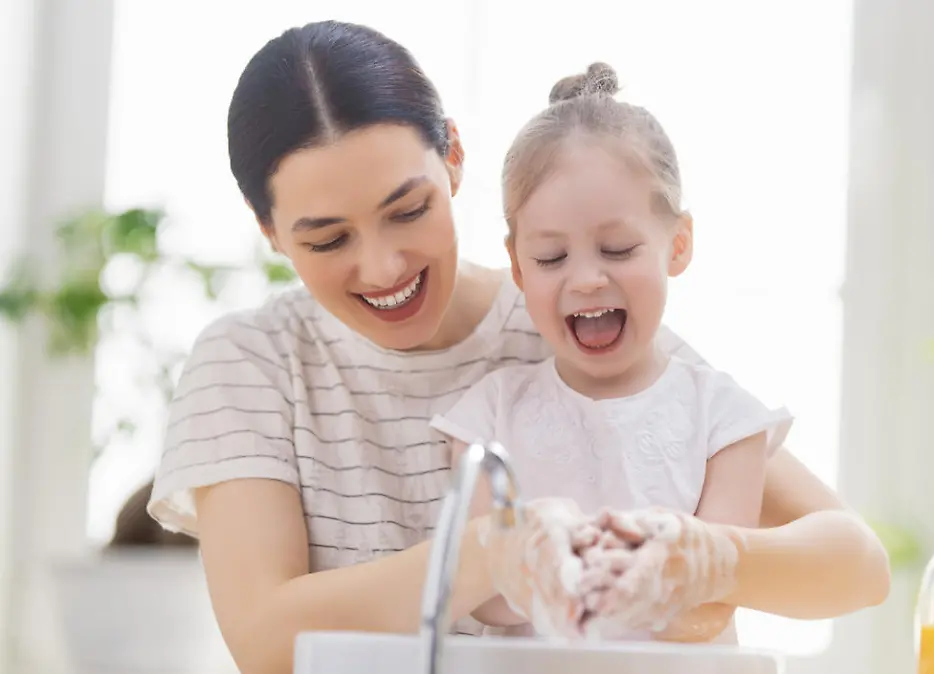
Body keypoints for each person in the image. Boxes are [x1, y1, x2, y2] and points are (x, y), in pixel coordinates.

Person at [147, 19, 890, 674]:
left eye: (408, 210)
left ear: (455, 159)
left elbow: (854, 563)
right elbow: (265, 642)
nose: (382, 268)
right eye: (328, 237)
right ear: (269, 228)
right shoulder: (251, 363)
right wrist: (484, 557)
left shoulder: (573, 321)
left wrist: (707, 559)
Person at [428, 62, 793, 643]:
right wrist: (537, 568)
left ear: (678, 245)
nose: (588, 279)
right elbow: (482, 600)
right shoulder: (486, 418)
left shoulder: (726, 421)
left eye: (618, 249)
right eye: (551, 258)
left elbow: (712, 607)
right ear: (518, 266)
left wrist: (652, 576)